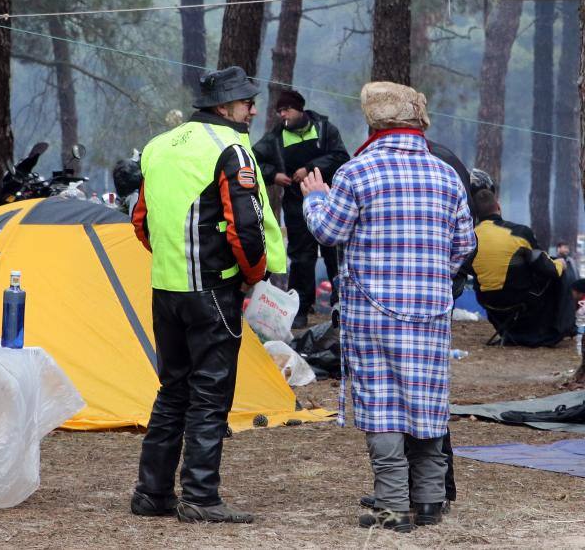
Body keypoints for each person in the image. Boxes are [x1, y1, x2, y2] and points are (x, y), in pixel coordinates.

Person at [302, 81, 476, 532]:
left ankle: (393, 505)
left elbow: (329, 232)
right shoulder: (445, 175)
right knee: (427, 402)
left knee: (381, 404)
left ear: (374, 121)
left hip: (371, 311)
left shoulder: (355, 172)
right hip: (430, 311)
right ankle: (430, 502)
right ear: (418, 120)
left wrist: (313, 198)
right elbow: (463, 247)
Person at [130, 66, 286, 524]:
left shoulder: (159, 145)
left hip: (166, 286)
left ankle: (151, 494)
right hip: (213, 287)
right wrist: (253, 274)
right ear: (223, 107)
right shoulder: (231, 148)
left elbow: (141, 218)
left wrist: (170, 259)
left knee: (172, 389)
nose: (253, 109)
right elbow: (247, 224)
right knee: (210, 395)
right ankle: (200, 496)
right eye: (245, 102)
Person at [253, 89, 350, 328]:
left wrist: (310, 168)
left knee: (334, 256)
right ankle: (300, 309)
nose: (283, 115)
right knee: (301, 258)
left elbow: (341, 157)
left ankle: (342, 305)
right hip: (297, 205)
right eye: (279, 112)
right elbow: (253, 159)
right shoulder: (276, 136)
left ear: (299, 109)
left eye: (286, 110)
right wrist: (273, 175)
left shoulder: (325, 129)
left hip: (330, 201)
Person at [471, 189, 575, 347]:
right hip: (519, 299)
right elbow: (547, 267)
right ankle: (559, 330)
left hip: (487, 302)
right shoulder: (518, 232)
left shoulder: (470, 236)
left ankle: (515, 332)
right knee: (560, 269)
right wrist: (561, 263)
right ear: (498, 206)